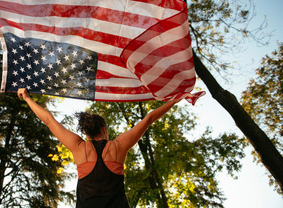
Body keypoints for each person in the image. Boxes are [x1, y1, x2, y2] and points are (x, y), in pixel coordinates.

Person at [17, 88, 186, 208]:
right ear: (104, 130)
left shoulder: (78, 147)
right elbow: (148, 119)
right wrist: (176, 99)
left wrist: (27, 98)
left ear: (87, 133)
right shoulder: (118, 147)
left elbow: (48, 120)